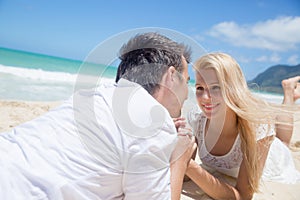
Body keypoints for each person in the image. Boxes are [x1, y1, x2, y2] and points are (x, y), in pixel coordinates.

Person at [0, 32, 196, 200]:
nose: (187, 93)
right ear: (171, 76)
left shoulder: (91, 97)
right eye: (186, 81)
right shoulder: (152, 121)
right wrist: (180, 157)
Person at [184, 52, 300, 200]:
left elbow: (243, 196)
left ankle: (289, 92)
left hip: (273, 157)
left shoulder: (257, 128)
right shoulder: (197, 118)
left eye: (216, 87)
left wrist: (189, 165)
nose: (205, 98)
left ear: (233, 88)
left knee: (284, 143)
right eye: (200, 88)